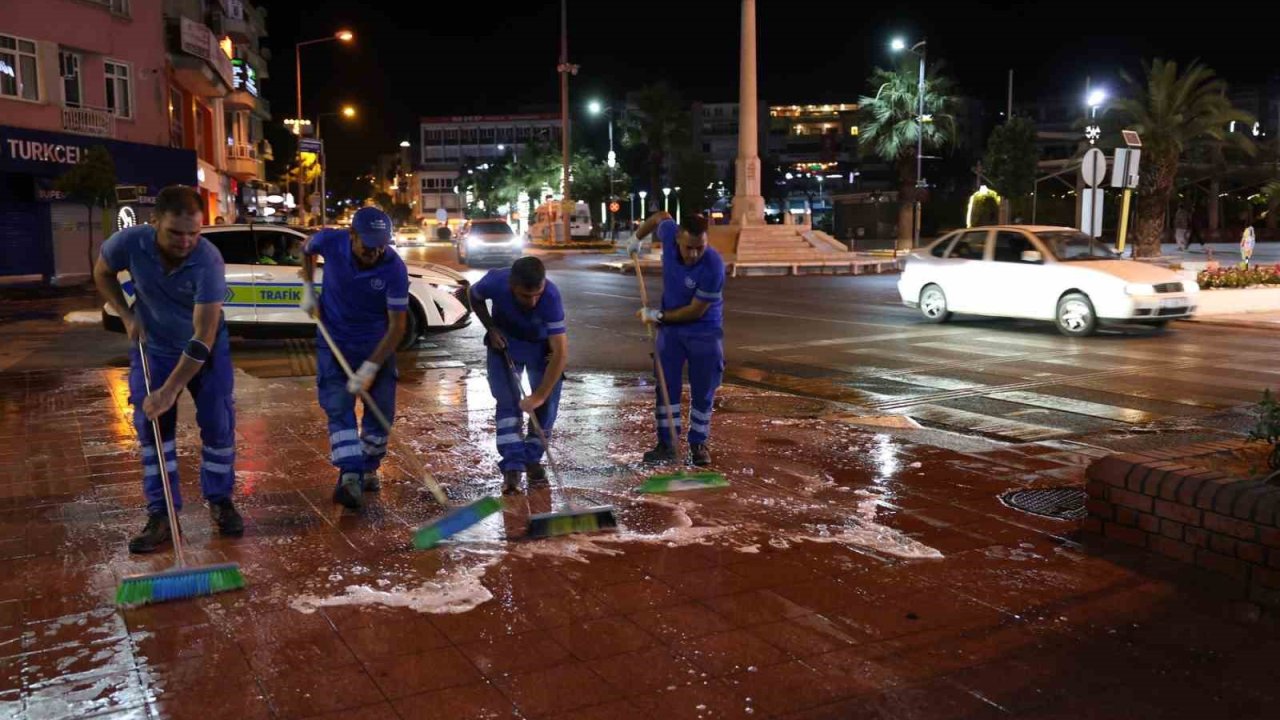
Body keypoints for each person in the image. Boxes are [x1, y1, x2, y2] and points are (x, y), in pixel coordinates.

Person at [93, 185, 243, 553]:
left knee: (218, 424)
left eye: (194, 233)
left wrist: (170, 389)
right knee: (154, 432)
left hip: (204, 352)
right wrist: (126, 315)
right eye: (176, 232)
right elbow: (103, 272)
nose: (186, 241)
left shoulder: (208, 261)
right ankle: (161, 514)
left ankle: (220, 500)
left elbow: (202, 337)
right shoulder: (128, 243)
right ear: (154, 221)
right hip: (154, 348)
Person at [300, 207, 409, 509]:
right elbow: (305, 249)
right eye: (367, 245)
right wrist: (308, 287)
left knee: (382, 411)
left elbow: (398, 325)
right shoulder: (331, 241)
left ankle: (369, 467)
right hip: (333, 341)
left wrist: (372, 366)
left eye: (380, 246)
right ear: (352, 235)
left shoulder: (394, 269)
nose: (374, 252)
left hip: (377, 344)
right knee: (338, 406)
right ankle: (350, 475)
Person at [630, 211, 724, 466]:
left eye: (699, 248)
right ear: (677, 240)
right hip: (671, 332)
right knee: (665, 384)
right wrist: (637, 237)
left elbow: (695, 310)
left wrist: (658, 315)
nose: (693, 254)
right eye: (688, 248)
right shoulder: (670, 233)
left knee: (704, 388)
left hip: (704, 330)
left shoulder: (713, 265)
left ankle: (698, 443)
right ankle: (667, 444)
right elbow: (661, 217)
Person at [469, 257, 568, 494]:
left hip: (540, 348)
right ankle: (512, 466)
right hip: (505, 342)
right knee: (508, 403)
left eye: (537, 294)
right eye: (525, 296)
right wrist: (490, 327)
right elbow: (473, 296)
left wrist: (541, 396)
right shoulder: (495, 281)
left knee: (547, 407)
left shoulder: (551, 297)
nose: (533, 302)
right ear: (512, 285)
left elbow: (560, 352)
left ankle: (532, 457)